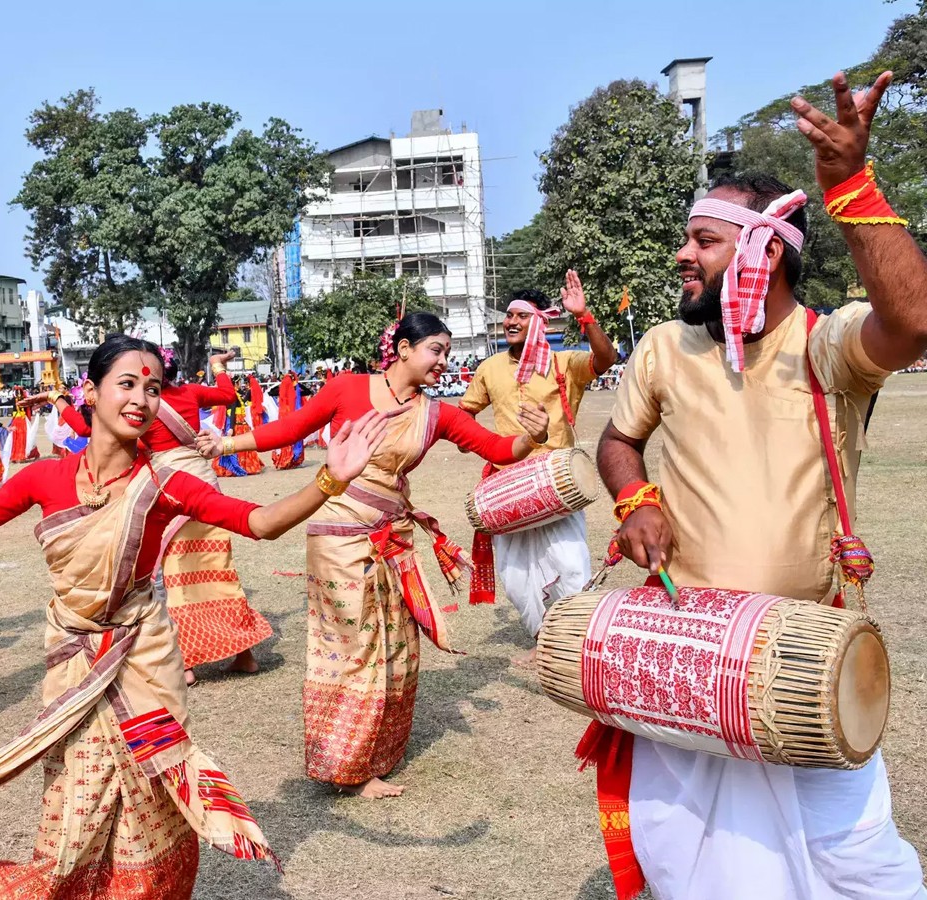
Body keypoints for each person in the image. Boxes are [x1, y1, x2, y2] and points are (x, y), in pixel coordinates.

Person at [0, 334, 387, 899]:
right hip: (73, 665)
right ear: (92, 390)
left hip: (144, 663)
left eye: (153, 388)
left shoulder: (163, 483)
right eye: (127, 384)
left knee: (150, 802)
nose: (142, 398)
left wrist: (333, 478)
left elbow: (262, 522)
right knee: (76, 809)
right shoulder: (47, 477)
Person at [593, 72, 927, 899]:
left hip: (802, 659)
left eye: (704, 239)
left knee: (857, 862)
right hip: (689, 656)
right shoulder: (667, 347)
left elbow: (915, 322)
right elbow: (617, 439)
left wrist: (850, 183)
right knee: (688, 858)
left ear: (763, 250)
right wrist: (636, 500)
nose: (682, 254)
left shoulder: (827, 343)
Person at [196, 312, 550, 799]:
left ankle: (375, 757)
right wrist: (226, 444)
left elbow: (497, 447)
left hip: (393, 538)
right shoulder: (347, 388)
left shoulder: (437, 413)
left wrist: (532, 436)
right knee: (352, 648)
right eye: (436, 350)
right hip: (338, 537)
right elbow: (292, 427)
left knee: (396, 647)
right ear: (404, 349)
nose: (443, 362)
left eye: (446, 352)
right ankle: (344, 761)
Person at [27, 349, 273, 687]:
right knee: (217, 569)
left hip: (172, 492)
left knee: (171, 581)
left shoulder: (139, 407)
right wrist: (218, 365)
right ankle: (244, 654)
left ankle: (184, 664)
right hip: (205, 482)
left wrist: (58, 399)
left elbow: (85, 429)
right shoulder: (190, 392)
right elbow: (228, 395)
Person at [460, 275, 617, 663]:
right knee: (515, 577)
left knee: (569, 565)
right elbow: (464, 412)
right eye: (507, 315)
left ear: (539, 322)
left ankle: (574, 640)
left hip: (555, 483)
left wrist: (584, 317)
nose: (510, 321)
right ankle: (543, 639)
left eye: (520, 316)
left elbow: (606, 360)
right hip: (508, 484)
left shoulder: (564, 363)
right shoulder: (490, 367)